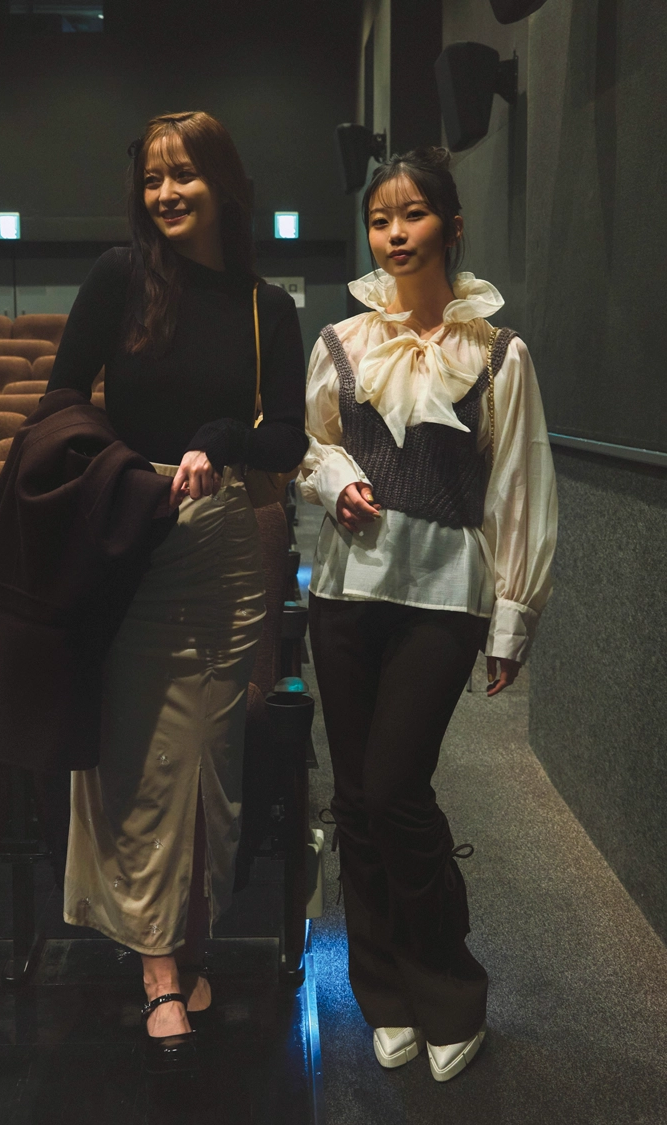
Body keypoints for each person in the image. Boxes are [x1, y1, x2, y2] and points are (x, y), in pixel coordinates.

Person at [45, 110, 308, 1064]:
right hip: (127, 535)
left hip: (219, 548)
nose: (165, 193)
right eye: (152, 178)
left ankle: (183, 939)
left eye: (184, 174)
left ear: (223, 184)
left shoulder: (265, 305)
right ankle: (159, 967)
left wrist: (221, 439)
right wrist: (122, 469)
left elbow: (288, 435)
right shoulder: (118, 280)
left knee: (204, 760)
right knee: (133, 755)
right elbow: (60, 400)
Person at [299, 147, 557, 1082]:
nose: (394, 233)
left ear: (451, 225)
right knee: (355, 799)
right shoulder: (340, 341)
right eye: (380, 219)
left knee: (397, 789)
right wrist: (337, 479)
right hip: (344, 594)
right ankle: (384, 991)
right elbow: (313, 446)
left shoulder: (498, 353)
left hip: (444, 597)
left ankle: (448, 985)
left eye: (411, 214)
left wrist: (513, 616)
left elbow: (520, 487)